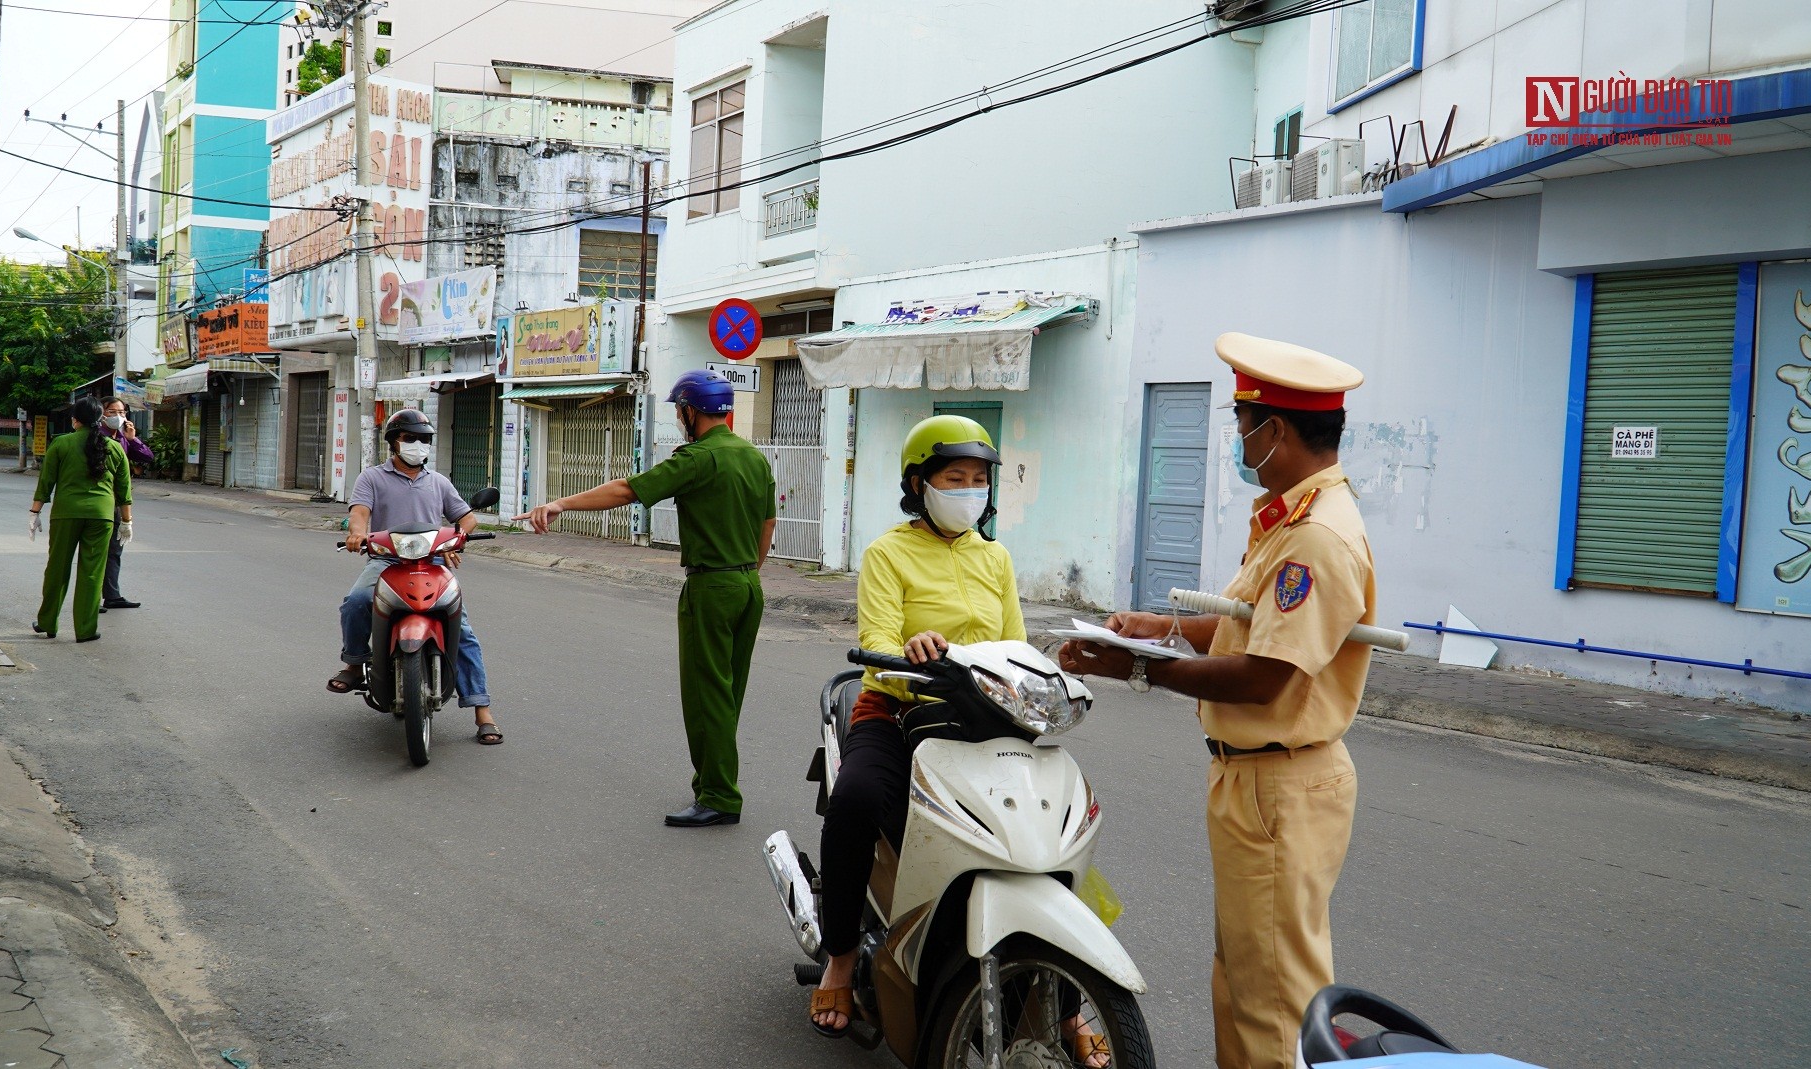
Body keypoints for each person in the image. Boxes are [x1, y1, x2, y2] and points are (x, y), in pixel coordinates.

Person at [1058, 332, 1374, 1069]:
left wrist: (1136, 667)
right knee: (1240, 981)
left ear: (1279, 431)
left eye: (1244, 423)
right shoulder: (1289, 517)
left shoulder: (1316, 538)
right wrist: (1159, 628)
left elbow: (1266, 674)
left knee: (1272, 1006)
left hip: (1279, 780)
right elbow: (1247, 626)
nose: (1237, 438)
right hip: (1256, 777)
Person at [806, 415, 1107, 1065]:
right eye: (955, 478)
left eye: (979, 480)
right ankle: (839, 957)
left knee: (1050, 817)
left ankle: (1070, 993)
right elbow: (880, 646)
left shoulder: (994, 555)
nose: (969, 490)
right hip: (898, 708)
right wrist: (905, 652)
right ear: (919, 484)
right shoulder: (887, 553)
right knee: (858, 798)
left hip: (984, 715)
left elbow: (1015, 646)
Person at [514, 370, 774, 827]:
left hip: (712, 586)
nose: (679, 418)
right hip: (748, 584)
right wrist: (749, 567)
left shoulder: (698, 457)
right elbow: (768, 524)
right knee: (729, 691)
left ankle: (718, 795)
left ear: (690, 411)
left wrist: (559, 504)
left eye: (680, 411)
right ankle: (716, 783)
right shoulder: (753, 457)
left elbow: (628, 490)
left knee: (705, 693)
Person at [329, 409, 502, 744]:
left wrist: (458, 539)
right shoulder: (372, 478)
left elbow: (466, 519)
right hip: (387, 562)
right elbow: (360, 513)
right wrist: (357, 534)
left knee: (462, 630)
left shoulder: (438, 482)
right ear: (394, 442)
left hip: (433, 564)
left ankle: (482, 710)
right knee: (356, 602)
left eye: (424, 439)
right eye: (410, 438)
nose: (418, 445)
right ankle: (353, 662)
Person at [29, 396, 132, 643]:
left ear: (75, 420)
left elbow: (46, 482)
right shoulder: (115, 447)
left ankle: (47, 623)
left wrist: (35, 512)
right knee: (92, 573)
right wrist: (127, 522)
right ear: (101, 419)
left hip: (66, 514)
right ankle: (85, 630)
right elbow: (124, 490)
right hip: (102, 517)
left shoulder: (61, 444)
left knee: (57, 568)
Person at [99, 396, 153, 612]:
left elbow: (147, 457)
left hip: (119, 502)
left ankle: (112, 595)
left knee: (115, 549)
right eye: (113, 412)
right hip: (101, 500)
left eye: (122, 412)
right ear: (102, 414)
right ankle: (91, 598)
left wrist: (132, 439)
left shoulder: (122, 438)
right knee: (96, 551)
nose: (119, 416)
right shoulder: (96, 438)